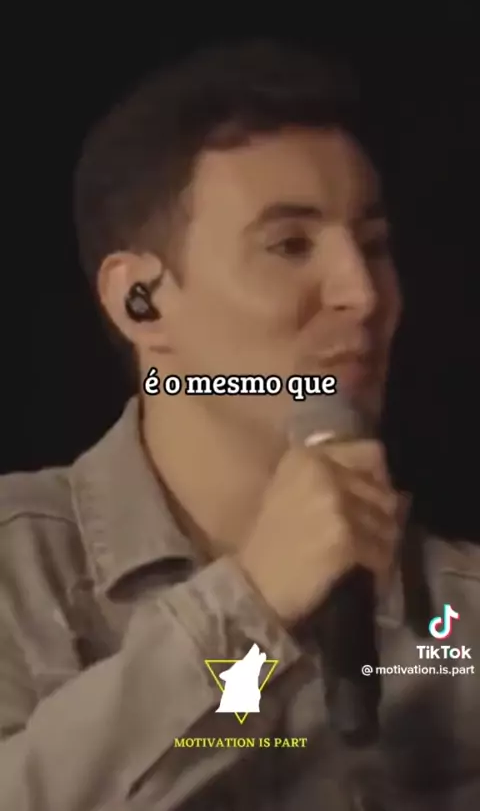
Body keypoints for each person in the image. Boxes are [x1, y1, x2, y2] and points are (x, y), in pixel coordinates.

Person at [1, 40, 479, 811]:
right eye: (290, 245)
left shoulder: (462, 612)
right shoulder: (19, 569)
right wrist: (253, 602)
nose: (362, 293)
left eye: (374, 246)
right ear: (141, 302)